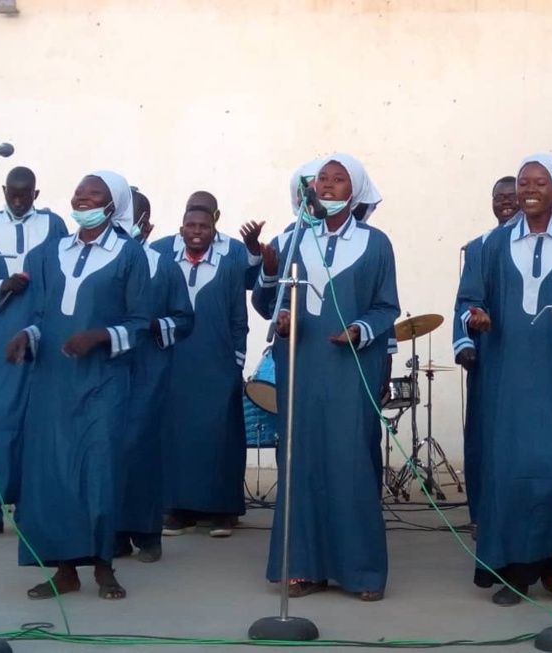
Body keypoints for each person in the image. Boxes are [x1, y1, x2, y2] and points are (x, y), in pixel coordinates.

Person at [456, 153, 552, 607]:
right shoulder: (492, 244)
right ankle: (514, 572)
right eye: (524, 182)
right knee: (509, 472)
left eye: (540, 182)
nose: (530, 189)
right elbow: (469, 299)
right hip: (505, 375)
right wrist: (475, 318)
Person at [252, 153, 399, 602]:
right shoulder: (293, 237)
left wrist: (360, 329)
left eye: (339, 179)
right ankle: (303, 567)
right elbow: (268, 304)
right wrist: (275, 294)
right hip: (301, 365)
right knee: (301, 462)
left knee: (349, 463)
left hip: (349, 367)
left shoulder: (376, 243)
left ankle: (361, 572)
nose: (328, 185)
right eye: (322, 180)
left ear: (355, 191)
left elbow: (386, 307)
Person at [6, 170, 151, 600]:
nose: (83, 198)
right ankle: (65, 570)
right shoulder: (50, 253)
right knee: (55, 473)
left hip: (103, 382)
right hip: (54, 383)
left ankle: (104, 567)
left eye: (94, 193)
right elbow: (42, 317)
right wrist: (26, 336)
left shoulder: (129, 255)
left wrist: (100, 335)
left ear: (112, 204)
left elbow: (140, 323)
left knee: (99, 471)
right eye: (78, 192)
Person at [0, 166, 67, 537]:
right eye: (13, 194)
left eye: (25, 195)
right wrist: (1, 286)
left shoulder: (53, 225)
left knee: (34, 419)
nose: (18, 201)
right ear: (3, 190)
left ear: (36, 194)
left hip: (39, 329)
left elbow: (64, 273)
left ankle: (29, 506)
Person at [114, 189, 194, 562]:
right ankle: (113, 533)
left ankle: (147, 533)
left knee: (141, 449)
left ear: (146, 225)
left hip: (148, 370)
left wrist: (151, 326)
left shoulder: (163, 266)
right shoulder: (99, 261)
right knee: (108, 451)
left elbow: (184, 319)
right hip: (106, 369)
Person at [160, 203, 249, 538]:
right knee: (176, 435)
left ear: (214, 231)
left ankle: (222, 511)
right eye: (191, 226)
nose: (197, 231)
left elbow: (239, 319)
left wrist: (236, 362)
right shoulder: (166, 263)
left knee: (220, 436)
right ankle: (179, 510)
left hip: (218, 363)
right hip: (176, 362)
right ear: (181, 229)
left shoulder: (228, 266)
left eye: (204, 226)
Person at [453, 175, 518, 527]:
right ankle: (483, 516)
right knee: (483, 435)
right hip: (488, 356)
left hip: (526, 357)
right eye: (498, 196)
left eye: (511, 195)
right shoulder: (478, 247)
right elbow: (464, 301)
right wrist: (465, 342)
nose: (505, 201)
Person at [149, 190, 263, 290]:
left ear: (217, 215)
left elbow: (251, 283)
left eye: (204, 211)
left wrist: (253, 249)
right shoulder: (160, 248)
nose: (197, 214)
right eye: (191, 210)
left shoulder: (234, 249)